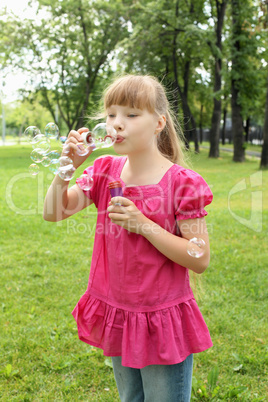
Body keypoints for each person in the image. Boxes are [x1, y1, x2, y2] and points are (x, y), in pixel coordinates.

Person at [43, 74, 213, 402]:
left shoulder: (183, 183)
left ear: (158, 123)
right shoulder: (105, 170)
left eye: (132, 115)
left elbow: (200, 257)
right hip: (118, 314)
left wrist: (143, 224)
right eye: (111, 115)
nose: (117, 124)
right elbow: (54, 211)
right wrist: (66, 169)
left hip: (160, 319)